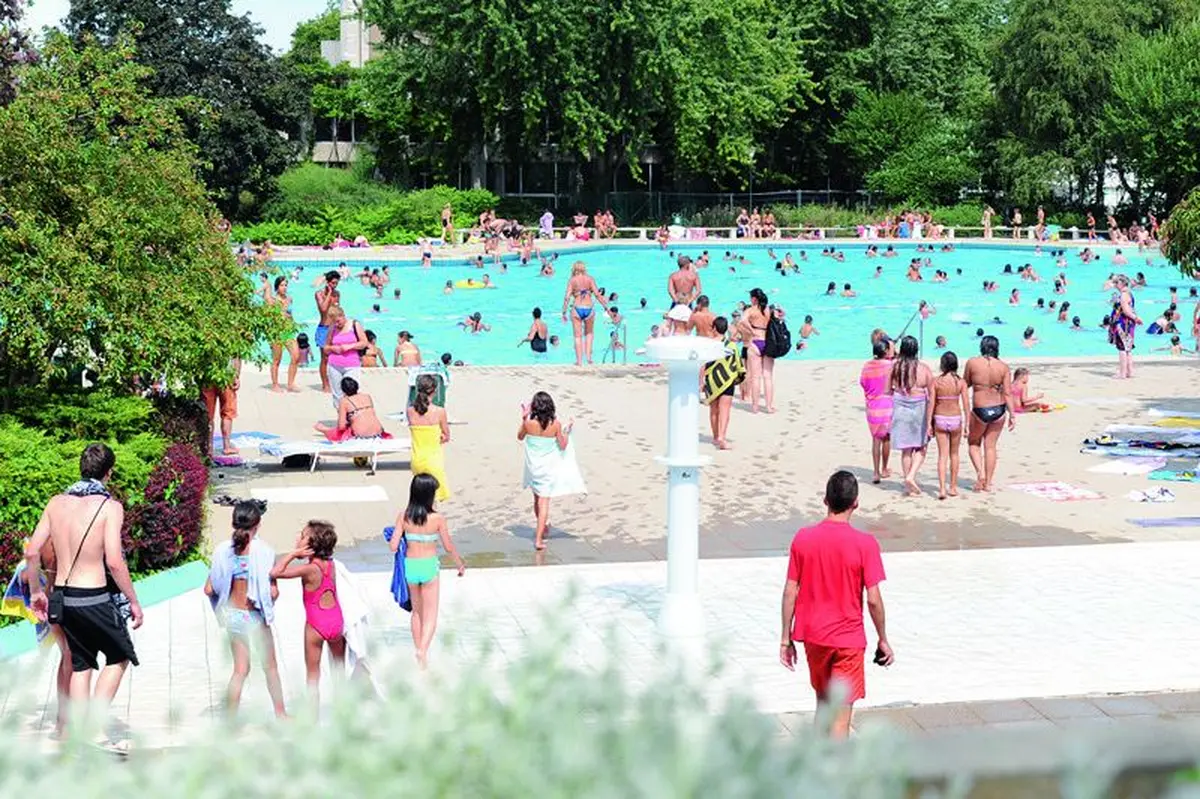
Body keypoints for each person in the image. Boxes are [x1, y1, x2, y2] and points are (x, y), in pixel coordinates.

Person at [25, 444, 143, 749]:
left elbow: (32, 550)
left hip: (62, 600)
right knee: (119, 658)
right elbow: (115, 562)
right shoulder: (110, 507)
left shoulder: (55, 503)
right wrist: (133, 600)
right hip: (93, 597)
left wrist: (37, 592)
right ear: (109, 472)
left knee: (80, 665)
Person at [779, 471, 893, 740]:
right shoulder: (865, 544)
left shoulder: (803, 539)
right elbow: (874, 600)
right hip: (847, 640)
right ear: (856, 503)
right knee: (841, 720)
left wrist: (785, 638)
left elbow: (790, 591)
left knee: (822, 702)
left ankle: (816, 768)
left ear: (825, 500)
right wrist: (883, 639)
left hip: (813, 636)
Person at [204, 501, 286, 717]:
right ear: (258, 524)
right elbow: (273, 593)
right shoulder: (264, 552)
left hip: (232, 615)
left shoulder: (222, 551)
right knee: (270, 668)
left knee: (240, 670)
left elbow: (209, 588)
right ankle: (280, 713)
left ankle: (230, 720)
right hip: (254, 616)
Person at [391, 474, 465, 669]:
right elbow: (448, 546)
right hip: (429, 565)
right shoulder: (437, 519)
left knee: (416, 612)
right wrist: (459, 564)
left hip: (411, 566)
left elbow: (393, 546)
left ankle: (420, 653)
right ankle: (422, 650)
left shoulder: (403, 516)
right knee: (431, 615)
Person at [270, 522, 346, 704]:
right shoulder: (332, 565)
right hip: (336, 621)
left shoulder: (309, 569)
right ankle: (343, 712)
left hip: (315, 624)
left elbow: (275, 572)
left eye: (302, 536)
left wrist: (293, 554)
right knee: (339, 671)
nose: (298, 537)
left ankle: (312, 720)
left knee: (313, 676)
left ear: (310, 544)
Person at [518, 392, 576, 550]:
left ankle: (542, 529)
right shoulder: (555, 424)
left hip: (533, 467)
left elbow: (520, 437)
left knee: (537, 499)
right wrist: (567, 431)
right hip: (548, 468)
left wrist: (524, 418)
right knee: (544, 502)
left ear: (535, 407)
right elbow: (563, 445)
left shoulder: (529, 423)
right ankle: (538, 539)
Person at [963, 336, 1015, 492]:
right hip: (999, 409)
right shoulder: (1004, 367)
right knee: (991, 447)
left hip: (980, 409)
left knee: (973, 443)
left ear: (982, 346)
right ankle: (988, 483)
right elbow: (1007, 393)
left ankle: (980, 473)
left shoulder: (972, 363)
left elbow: (965, 384)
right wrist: (1012, 415)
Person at [888, 336, 932, 497]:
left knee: (906, 449)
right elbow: (932, 394)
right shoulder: (924, 369)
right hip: (919, 407)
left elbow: (888, 390)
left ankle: (908, 486)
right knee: (921, 446)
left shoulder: (895, 367)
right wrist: (929, 419)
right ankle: (911, 476)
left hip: (900, 407)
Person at [927, 352, 968, 500]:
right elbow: (966, 404)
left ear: (942, 364)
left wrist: (928, 424)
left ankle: (942, 489)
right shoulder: (961, 382)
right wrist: (967, 424)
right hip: (955, 418)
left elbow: (931, 403)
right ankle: (953, 487)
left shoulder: (936, 381)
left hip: (940, 418)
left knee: (942, 455)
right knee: (954, 454)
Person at [408, 374, 451, 501]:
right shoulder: (439, 411)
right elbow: (446, 436)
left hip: (417, 461)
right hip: (433, 461)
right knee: (433, 501)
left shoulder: (410, 411)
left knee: (420, 499)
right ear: (435, 390)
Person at [314, 376, 388, 442]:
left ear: (343, 390)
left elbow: (341, 426)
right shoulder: (367, 396)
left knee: (337, 433)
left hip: (360, 437)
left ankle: (323, 429)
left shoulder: (344, 401)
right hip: (379, 434)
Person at [859, 339, 893, 484]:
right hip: (888, 406)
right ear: (885, 351)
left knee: (876, 440)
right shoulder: (890, 365)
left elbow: (863, 383)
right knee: (886, 438)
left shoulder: (867, 366)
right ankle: (884, 468)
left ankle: (876, 472)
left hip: (872, 407)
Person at [561, 261, 608, 366]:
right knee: (589, 334)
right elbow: (597, 294)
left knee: (577, 336)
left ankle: (579, 361)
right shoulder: (590, 279)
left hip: (577, 308)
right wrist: (605, 307)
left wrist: (564, 311)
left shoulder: (572, 280)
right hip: (589, 308)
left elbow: (567, 297)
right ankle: (589, 358)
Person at [737, 288, 774, 413]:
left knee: (755, 377)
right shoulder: (768, 310)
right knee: (768, 377)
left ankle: (755, 407)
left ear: (754, 299)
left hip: (755, 342)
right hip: (767, 342)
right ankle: (768, 407)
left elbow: (742, 321)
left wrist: (752, 331)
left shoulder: (750, 310)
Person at [322, 305, 367, 410]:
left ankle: (354, 417)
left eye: (338, 321)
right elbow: (326, 348)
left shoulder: (355, 325)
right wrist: (334, 348)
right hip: (334, 365)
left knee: (353, 391)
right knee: (337, 394)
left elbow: (364, 343)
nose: (337, 324)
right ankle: (341, 418)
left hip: (352, 365)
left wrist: (350, 346)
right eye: (334, 322)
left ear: (342, 315)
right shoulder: (332, 328)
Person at [704, 317, 738, 449]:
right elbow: (737, 364)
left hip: (712, 380)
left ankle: (715, 437)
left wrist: (701, 380)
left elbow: (703, 364)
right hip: (728, 380)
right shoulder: (732, 345)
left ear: (714, 328)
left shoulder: (708, 345)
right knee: (725, 410)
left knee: (714, 409)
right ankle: (722, 437)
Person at [202, 358, 241, 457]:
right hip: (226, 377)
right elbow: (236, 357)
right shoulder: (232, 341)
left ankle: (209, 448)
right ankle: (227, 446)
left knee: (207, 415)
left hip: (207, 376)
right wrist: (236, 376)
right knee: (227, 413)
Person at [268, 277, 300, 393]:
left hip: (288, 332)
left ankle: (290, 384)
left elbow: (290, 315)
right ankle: (275, 384)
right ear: (277, 287)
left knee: (296, 356)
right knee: (277, 359)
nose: (284, 287)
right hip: (277, 332)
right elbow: (268, 319)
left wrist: (293, 325)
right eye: (282, 285)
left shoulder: (289, 299)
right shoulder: (272, 300)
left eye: (286, 285)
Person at [1109, 275, 1142, 379]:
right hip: (1128, 324)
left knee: (1122, 348)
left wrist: (1136, 318)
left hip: (1123, 324)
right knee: (1128, 348)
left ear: (1122, 283)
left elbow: (1126, 310)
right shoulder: (1128, 294)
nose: (1115, 285)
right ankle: (1129, 372)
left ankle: (1122, 373)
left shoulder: (1123, 295)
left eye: (1116, 283)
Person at [314, 271, 341, 393]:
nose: (335, 285)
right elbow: (324, 309)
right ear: (328, 282)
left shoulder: (338, 294)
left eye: (337, 283)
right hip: (324, 329)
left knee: (335, 357)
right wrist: (329, 293)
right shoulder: (319, 294)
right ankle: (325, 384)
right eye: (333, 283)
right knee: (324, 358)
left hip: (334, 328)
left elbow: (337, 310)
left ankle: (333, 381)